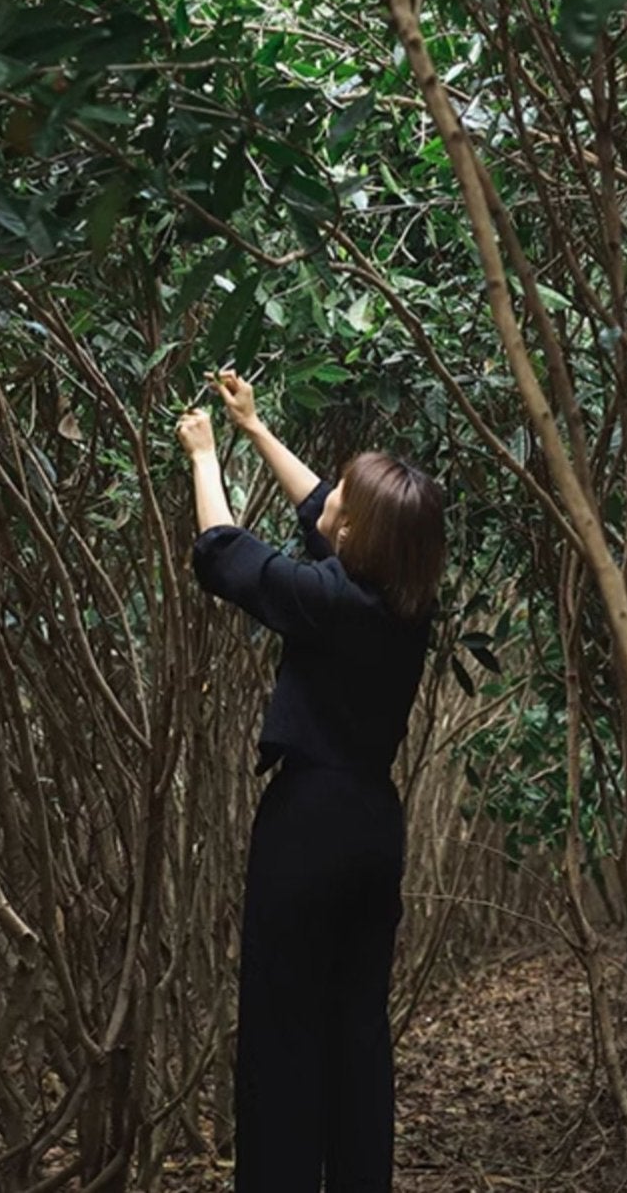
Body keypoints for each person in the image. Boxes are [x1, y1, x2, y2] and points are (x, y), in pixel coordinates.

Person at [177, 372, 445, 1193]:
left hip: (310, 825)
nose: (329, 501)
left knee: (283, 1032)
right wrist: (256, 428)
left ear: (359, 537)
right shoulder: (403, 601)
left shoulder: (325, 600)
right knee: (355, 1033)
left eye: (347, 506)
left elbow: (225, 555)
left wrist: (205, 455)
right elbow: (320, 504)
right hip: (373, 826)